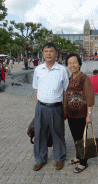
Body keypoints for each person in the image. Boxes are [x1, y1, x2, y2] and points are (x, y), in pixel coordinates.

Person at [32, 42, 69, 171]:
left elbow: (65, 91)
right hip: (41, 107)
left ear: (56, 54)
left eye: (51, 51)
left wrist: (64, 108)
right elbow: (36, 88)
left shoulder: (62, 70)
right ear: (43, 53)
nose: (48, 53)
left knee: (57, 133)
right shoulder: (38, 69)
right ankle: (40, 159)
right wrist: (38, 105)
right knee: (39, 133)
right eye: (46, 51)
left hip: (56, 107)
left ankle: (59, 158)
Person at [63, 53, 95, 173]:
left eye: (74, 62)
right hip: (71, 114)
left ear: (80, 64)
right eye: (69, 63)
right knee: (76, 138)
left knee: (82, 139)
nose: (72, 65)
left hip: (82, 114)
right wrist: (64, 111)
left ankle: (83, 162)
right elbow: (66, 96)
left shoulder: (85, 79)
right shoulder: (69, 79)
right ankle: (78, 156)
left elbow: (90, 97)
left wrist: (89, 115)